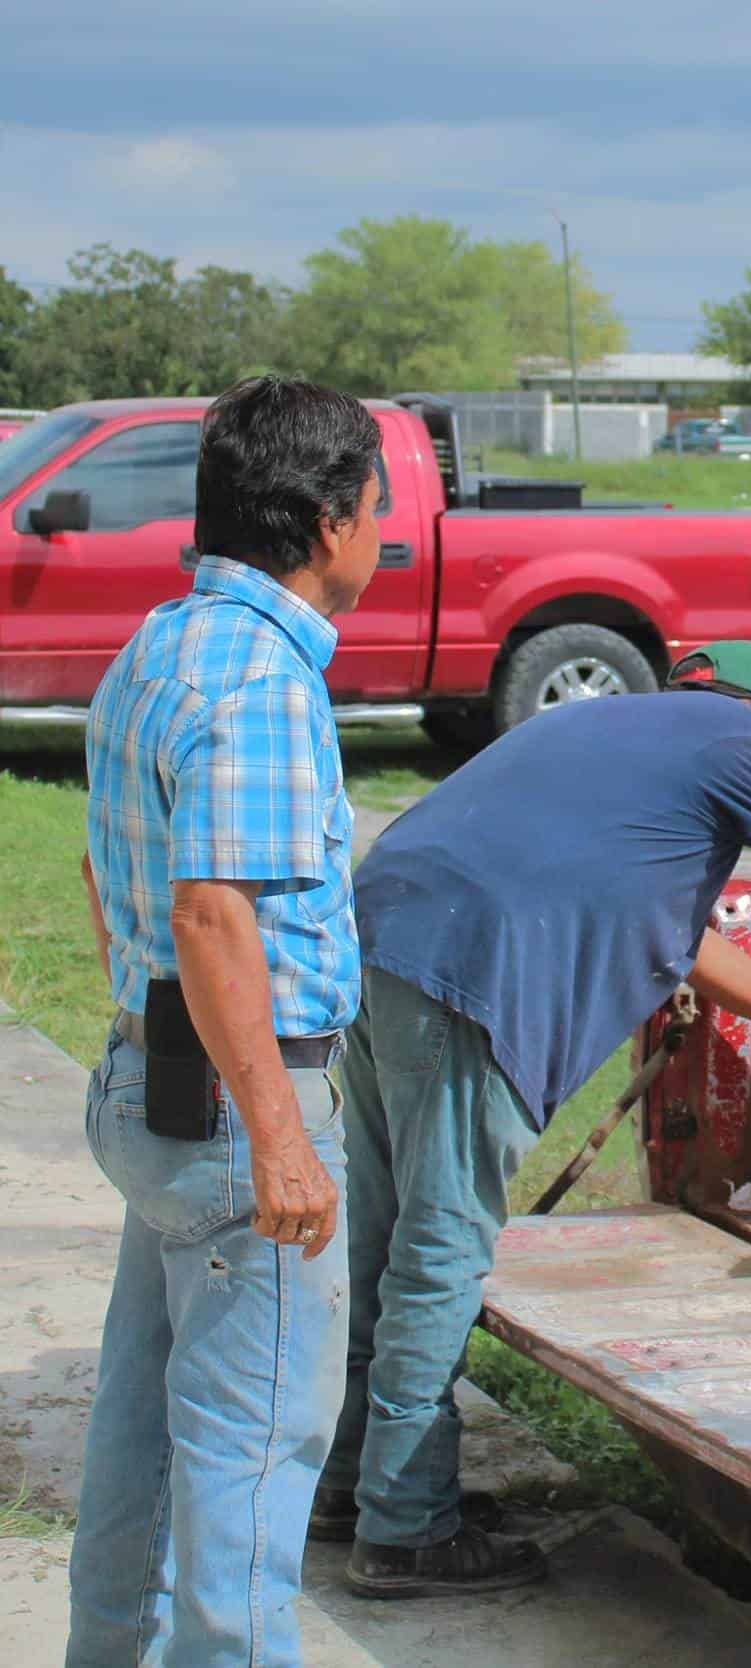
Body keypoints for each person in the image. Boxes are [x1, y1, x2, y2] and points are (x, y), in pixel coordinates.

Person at [315, 640, 751, 1598]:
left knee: (382, 1244)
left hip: (381, 936)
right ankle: (408, 1529)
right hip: (475, 969)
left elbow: (676, 946)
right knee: (441, 1249)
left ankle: (348, 1488)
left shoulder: (606, 723)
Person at [68, 376, 384, 1667]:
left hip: (152, 1088)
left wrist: (155, 1025)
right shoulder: (260, 679)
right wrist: (279, 1139)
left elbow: (111, 877)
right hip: (234, 1121)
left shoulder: (164, 642)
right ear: (323, 522)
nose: (383, 536)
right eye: (375, 510)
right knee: (251, 1460)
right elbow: (212, 916)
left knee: (141, 1437)